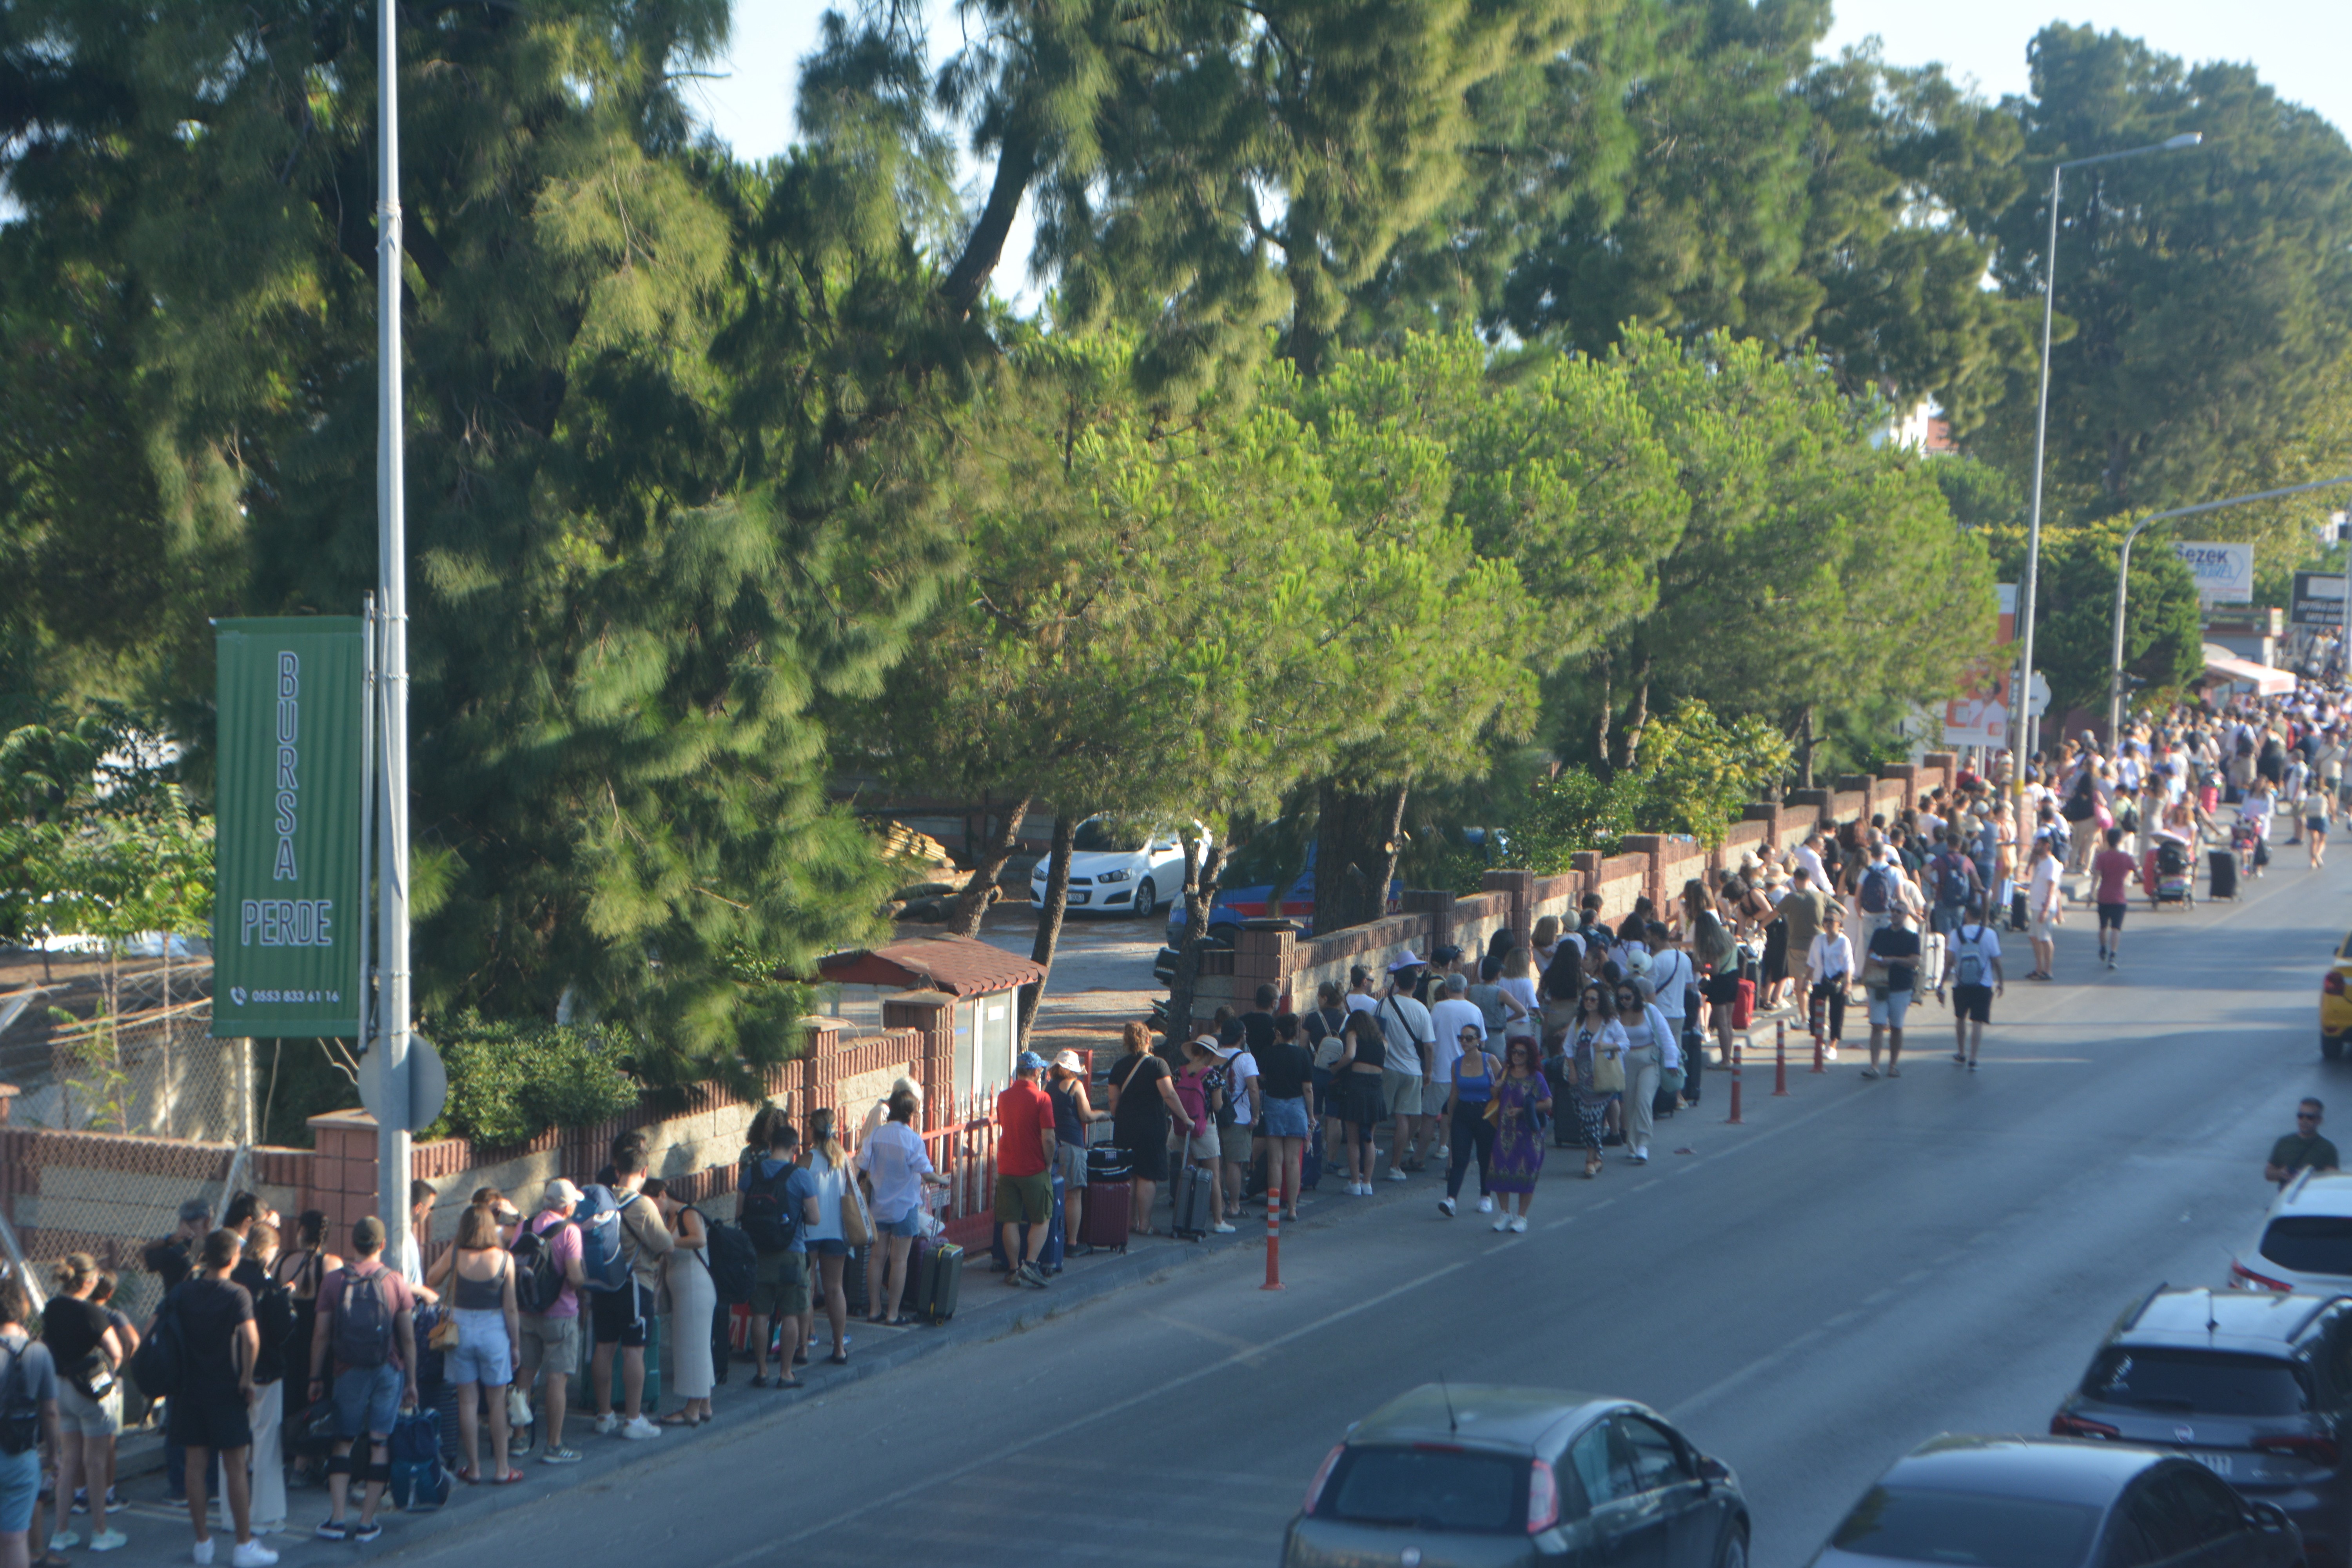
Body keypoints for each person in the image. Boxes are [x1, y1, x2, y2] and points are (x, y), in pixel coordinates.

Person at [309, 1215, 416, 1543]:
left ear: (353, 1244)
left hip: (347, 1369)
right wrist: (411, 1381)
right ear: (382, 1246)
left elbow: (321, 1335)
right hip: (388, 1368)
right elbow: (408, 1339)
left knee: (343, 1440)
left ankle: (338, 1519)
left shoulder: (333, 1281)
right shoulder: (396, 1281)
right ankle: (368, 1523)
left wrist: (315, 1376)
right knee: (379, 1442)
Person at [169, 1229, 271, 1566]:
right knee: (235, 1468)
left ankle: (202, 1543)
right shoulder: (237, 1294)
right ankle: (244, 1545)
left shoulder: (183, 1292)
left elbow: (157, 1325)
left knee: (195, 1468)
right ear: (232, 1259)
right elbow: (252, 1340)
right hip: (226, 1389)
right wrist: (246, 1377)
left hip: (189, 1390)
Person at [432, 1204, 520, 1485]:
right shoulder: (506, 1259)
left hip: (459, 1329)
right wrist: (515, 1345)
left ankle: (474, 1468)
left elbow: (431, 1279)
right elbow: (511, 1309)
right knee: (496, 1402)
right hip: (494, 1329)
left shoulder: (455, 1253)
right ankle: (503, 1468)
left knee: (467, 1401)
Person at [588, 1145, 672, 1436]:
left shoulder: (602, 1199)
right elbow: (666, 1245)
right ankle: (633, 1419)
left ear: (616, 1168)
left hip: (603, 1284)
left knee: (604, 1347)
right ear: (645, 1172)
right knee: (634, 1351)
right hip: (636, 1285)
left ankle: (604, 1415)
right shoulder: (643, 1205)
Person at [41, 1257, 122, 1555]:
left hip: (60, 1387)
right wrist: (108, 1379)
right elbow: (116, 1351)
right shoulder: (92, 1312)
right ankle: (100, 1530)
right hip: (89, 1391)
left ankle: (61, 1532)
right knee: (96, 1462)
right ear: (89, 1282)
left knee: (70, 1458)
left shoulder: (52, 1307)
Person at [858, 1091, 948, 1323]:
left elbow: (862, 1163)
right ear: (911, 1113)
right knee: (900, 1261)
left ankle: (874, 1309)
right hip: (905, 1206)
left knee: (877, 1259)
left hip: (879, 1204)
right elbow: (927, 1173)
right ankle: (893, 1314)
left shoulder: (877, 1134)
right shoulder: (913, 1140)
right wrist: (942, 1179)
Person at [739, 1118, 815, 1390]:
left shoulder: (752, 1174)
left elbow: (740, 1214)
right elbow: (815, 1218)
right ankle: (786, 1373)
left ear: (771, 1144)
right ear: (795, 1147)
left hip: (759, 1254)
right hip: (791, 1253)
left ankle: (761, 1372)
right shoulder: (800, 1176)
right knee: (791, 1314)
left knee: (760, 1314)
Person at [514, 1181, 586, 1465]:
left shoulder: (526, 1225)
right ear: (567, 1207)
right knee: (558, 1379)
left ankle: (519, 1438)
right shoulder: (570, 1231)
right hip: (560, 1315)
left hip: (527, 1313)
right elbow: (575, 1277)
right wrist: (585, 1279)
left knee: (524, 1376)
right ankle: (554, 1445)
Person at [642, 1180, 713, 1425]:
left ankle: (691, 1410)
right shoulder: (671, 1219)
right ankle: (704, 1405)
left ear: (663, 1195)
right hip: (686, 1290)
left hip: (695, 1288)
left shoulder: (687, 1213)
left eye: (653, 1204)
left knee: (691, 1348)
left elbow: (699, 1239)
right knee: (698, 1346)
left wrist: (668, 1243)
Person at [0, 1274, 59, 1568]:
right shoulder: (38, 1352)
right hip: (22, 1454)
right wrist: (53, 1453)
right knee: (14, 1538)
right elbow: (50, 1411)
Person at [1107, 1023, 1184, 1232]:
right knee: (1147, 1175)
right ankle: (1145, 1224)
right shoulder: (1158, 1065)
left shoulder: (1119, 1067)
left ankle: (1129, 1221)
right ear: (1148, 1040)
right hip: (1151, 1126)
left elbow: (1113, 1101)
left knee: (1129, 1173)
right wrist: (1185, 1117)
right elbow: (1169, 1094)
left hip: (1125, 1127)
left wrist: (1120, 1116)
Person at [995, 1052, 1061, 1285]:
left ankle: (1013, 1270)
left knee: (1010, 1220)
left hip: (1006, 1167)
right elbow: (1049, 1138)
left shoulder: (1003, 1097)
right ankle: (1030, 1265)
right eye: (1041, 1071)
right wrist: (1049, 1163)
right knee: (1042, 1218)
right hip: (1033, 1168)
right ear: (1036, 1072)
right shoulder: (1042, 1099)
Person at [799, 1110, 857, 1355]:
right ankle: (838, 1346)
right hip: (836, 1231)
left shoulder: (805, 1161)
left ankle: (805, 1343)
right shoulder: (844, 1159)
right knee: (835, 1288)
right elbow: (855, 1193)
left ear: (812, 1130)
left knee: (807, 1288)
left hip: (809, 1231)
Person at [1374, 954, 1436, 1178]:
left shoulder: (1383, 1004)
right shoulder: (1421, 1010)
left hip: (1387, 1068)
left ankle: (1366, 1161)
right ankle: (1395, 1166)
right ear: (1416, 984)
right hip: (1412, 1070)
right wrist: (1428, 1071)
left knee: (1375, 1116)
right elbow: (1429, 1046)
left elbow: (1375, 1033)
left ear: (1397, 982)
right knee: (1403, 1118)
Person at [1486, 1038, 1553, 1231]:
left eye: (1521, 1053)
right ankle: (1505, 1213)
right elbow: (1494, 1096)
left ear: (1530, 1055)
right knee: (1500, 1172)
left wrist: (1523, 1110)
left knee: (1527, 1175)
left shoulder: (1536, 1077)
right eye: (1514, 1052)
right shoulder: (1505, 1073)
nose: (1516, 1055)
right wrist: (1496, 1088)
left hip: (1529, 1135)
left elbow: (1548, 1103)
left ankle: (1522, 1216)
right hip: (1505, 1132)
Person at [1255, 1014, 1316, 1222]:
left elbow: (1261, 1078)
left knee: (1275, 1161)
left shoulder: (1268, 1053)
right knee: (1293, 1161)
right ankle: (1292, 1209)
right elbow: (1308, 1088)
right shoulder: (1303, 1055)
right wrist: (1311, 1115)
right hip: (1297, 1106)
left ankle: (1273, 1208)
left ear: (1278, 1033)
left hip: (1273, 1105)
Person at [1171, 1037, 1234, 1231]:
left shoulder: (1178, 1073)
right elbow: (1217, 1106)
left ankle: (1185, 1219)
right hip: (1204, 1128)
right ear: (1209, 1055)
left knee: (1188, 1174)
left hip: (1182, 1127)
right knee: (1214, 1175)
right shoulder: (1213, 1076)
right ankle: (1218, 1221)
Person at [1438, 1023, 1499, 1218]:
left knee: (1485, 1156)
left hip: (1486, 1111)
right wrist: (1450, 1115)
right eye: (1461, 1038)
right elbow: (1454, 1092)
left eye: (1469, 1038)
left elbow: (1504, 1083)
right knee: (1460, 1157)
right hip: (1463, 1112)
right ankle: (1451, 1199)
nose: (1464, 1042)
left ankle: (1485, 1196)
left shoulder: (1490, 1060)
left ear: (1479, 1041)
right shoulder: (1457, 1063)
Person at [1566, 984, 1626, 1180]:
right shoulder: (1578, 1022)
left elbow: (1625, 1044)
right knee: (1585, 1120)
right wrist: (1573, 1072)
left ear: (1601, 1002)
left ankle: (1590, 1160)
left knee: (1593, 1117)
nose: (1589, 1003)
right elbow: (1568, 1048)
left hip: (1601, 1078)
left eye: (1594, 999)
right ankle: (1598, 1154)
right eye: (1586, 999)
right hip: (1580, 1081)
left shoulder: (1610, 1023)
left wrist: (1608, 1046)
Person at [1613, 978, 1673, 1165]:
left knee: (1644, 1100)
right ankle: (1632, 1145)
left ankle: (1643, 1144)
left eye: (1628, 996)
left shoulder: (1650, 1011)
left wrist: (1672, 1061)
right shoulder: (1616, 1015)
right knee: (1629, 1103)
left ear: (1636, 995)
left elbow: (1666, 1035)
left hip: (1649, 1061)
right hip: (1625, 1063)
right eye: (1621, 997)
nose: (1625, 1000)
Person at [1862, 906, 1922, 1080]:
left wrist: (1893, 960)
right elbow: (1870, 955)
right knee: (1877, 1025)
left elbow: (1915, 960)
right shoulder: (1880, 934)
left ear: (1905, 916)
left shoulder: (1912, 938)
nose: (1895, 914)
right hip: (1879, 985)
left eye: (1899, 912)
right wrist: (1866, 977)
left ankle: (1893, 1066)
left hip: (1901, 987)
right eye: (1893, 911)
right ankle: (1874, 1066)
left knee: (1896, 1027)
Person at [1332, 1013, 1388, 1197]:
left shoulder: (1353, 1034)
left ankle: (1355, 1183)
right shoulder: (1383, 1041)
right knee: (1369, 1138)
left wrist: (1335, 1068)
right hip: (1376, 1087)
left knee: (1353, 1139)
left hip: (1357, 1085)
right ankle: (1368, 1183)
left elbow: (1350, 1056)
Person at [1946, 901, 2005, 1072]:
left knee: (1960, 1018)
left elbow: (1950, 961)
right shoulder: (1990, 934)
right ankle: (1973, 1057)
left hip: (1961, 983)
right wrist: (2001, 982)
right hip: (1984, 983)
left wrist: (1942, 983)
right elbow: (1997, 961)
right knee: (1978, 1021)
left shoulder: (1956, 934)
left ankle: (1961, 1052)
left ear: (1967, 914)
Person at [1808, 904, 1854, 1059]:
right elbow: (1812, 962)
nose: (1828, 923)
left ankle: (1833, 1044)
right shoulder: (1818, 940)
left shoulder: (1844, 942)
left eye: (1831, 921)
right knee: (1814, 1010)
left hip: (1837, 980)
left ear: (1839, 924)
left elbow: (1848, 964)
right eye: (1825, 920)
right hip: (1820, 980)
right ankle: (1819, 1040)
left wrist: (1848, 983)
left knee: (1836, 1013)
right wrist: (1805, 981)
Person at [2088, 826, 2137, 971]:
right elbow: (2139, 873)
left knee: (2103, 926)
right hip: (2119, 898)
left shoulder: (2102, 857)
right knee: (2116, 928)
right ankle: (2113, 955)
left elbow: (2096, 877)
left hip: (2103, 896)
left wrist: (2092, 894)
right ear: (2120, 841)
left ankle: (2103, 947)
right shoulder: (2127, 858)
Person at [2266, 1099, 2340, 1186]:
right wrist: (2280, 1174)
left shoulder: (2327, 1148)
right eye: (2301, 1116)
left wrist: (2310, 1177)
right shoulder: (2284, 1143)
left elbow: (2333, 1178)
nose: (2304, 1121)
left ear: (2319, 1121)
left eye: (2310, 1118)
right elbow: (2268, 1173)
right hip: (2289, 1198)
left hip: (2313, 1197)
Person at [2026, 833, 2062, 981]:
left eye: (2038, 845)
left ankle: (2048, 970)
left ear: (2047, 846)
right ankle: (2039, 968)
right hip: (2035, 906)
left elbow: (2052, 888)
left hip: (2043, 907)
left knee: (2045, 938)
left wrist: (2046, 909)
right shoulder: (2041, 862)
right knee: (2034, 937)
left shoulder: (2052, 864)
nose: (2035, 847)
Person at [2309, 786, 2332, 870]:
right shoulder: (2327, 792)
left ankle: (2313, 862)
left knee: (2314, 841)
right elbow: (2331, 805)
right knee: (2322, 841)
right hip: (2323, 818)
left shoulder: (2311, 792)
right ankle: (2317, 854)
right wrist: (2333, 816)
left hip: (2311, 817)